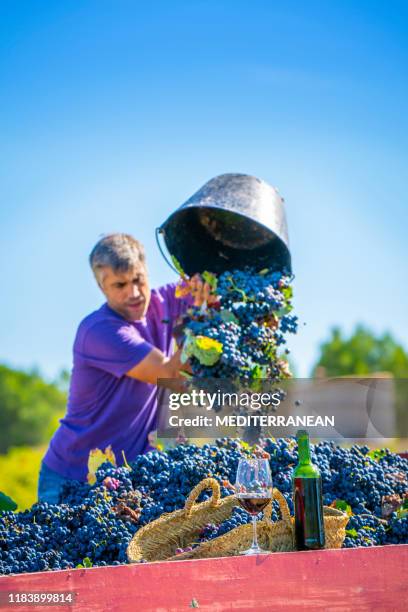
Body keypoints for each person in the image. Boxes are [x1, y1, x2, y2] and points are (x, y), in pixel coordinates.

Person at [38, 233, 196, 503]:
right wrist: (200, 327)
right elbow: (170, 374)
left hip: (127, 478)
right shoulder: (99, 331)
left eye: (138, 279)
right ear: (102, 287)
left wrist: (205, 293)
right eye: (120, 285)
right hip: (71, 478)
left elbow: (210, 285)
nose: (133, 293)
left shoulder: (165, 302)